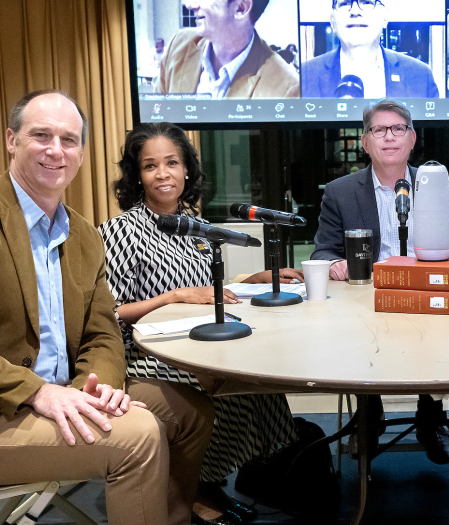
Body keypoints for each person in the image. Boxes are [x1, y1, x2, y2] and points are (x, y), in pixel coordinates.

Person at [0, 90, 215, 525]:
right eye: (41, 135)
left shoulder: (81, 233)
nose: (56, 150)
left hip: (67, 390)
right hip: (10, 403)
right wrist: (39, 392)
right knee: (138, 438)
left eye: (69, 139)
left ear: (82, 151)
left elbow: (102, 332)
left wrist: (93, 388)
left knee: (191, 411)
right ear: (11, 140)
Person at [98, 122, 304, 524]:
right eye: (150, 166)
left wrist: (250, 279)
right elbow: (108, 311)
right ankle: (190, 495)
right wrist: (172, 298)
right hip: (148, 356)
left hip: (197, 344)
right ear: (137, 175)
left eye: (172, 163)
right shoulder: (123, 230)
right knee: (215, 387)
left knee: (254, 381)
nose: (163, 174)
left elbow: (203, 288)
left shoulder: (191, 224)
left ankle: (207, 482)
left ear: (187, 170)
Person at [311, 99, 449, 464]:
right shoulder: (339, 192)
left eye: (398, 129)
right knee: (359, 327)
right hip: (365, 304)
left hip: (426, 298)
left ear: (412, 138)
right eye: (379, 130)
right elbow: (323, 252)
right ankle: (368, 411)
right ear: (365, 141)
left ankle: (430, 415)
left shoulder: (436, 185)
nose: (389, 137)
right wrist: (336, 263)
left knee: (436, 324)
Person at [156, 0, 299, 98]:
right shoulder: (177, 47)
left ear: (240, 8)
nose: (189, 4)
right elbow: (154, 127)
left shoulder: (287, 89)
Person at [301, 0, 439, 98]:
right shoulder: (305, 76)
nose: (355, 11)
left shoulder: (420, 75)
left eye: (366, 2)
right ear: (332, 21)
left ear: (385, 18)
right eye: (344, 3)